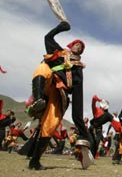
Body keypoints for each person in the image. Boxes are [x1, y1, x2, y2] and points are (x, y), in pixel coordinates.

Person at [26, 21, 92, 170]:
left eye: (81, 47)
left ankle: (35, 161)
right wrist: (60, 28)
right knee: (43, 68)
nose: (79, 46)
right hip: (48, 85)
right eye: (77, 44)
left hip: (60, 96)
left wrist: (80, 125)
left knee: (50, 126)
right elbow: (47, 38)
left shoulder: (79, 69)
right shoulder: (59, 53)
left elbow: (78, 97)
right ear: (71, 45)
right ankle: (38, 100)